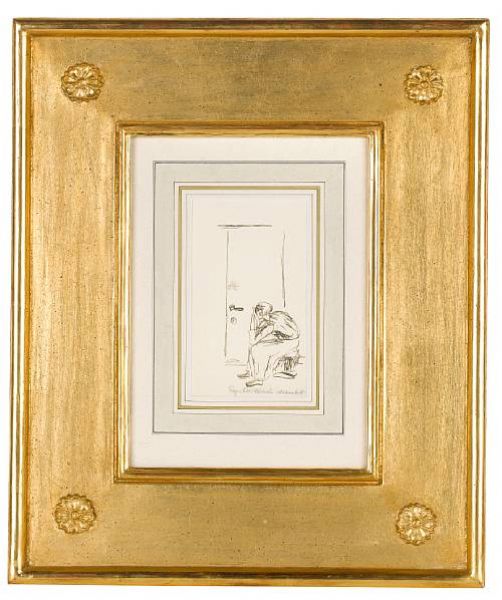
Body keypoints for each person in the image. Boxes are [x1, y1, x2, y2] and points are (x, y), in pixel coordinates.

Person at [238, 301, 299, 387]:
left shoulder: (271, 324)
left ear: (260, 313)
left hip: (289, 342)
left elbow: (253, 340)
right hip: (284, 338)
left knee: (257, 348)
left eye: (257, 312)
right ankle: (250, 371)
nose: (256, 314)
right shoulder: (273, 316)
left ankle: (259, 378)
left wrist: (253, 321)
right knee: (255, 346)